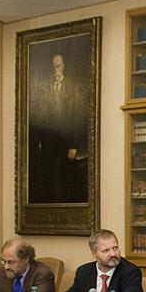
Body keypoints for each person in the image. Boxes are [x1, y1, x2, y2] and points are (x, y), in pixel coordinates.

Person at [28, 52, 88, 204]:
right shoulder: (45, 90)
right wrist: (39, 141)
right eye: (53, 67)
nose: (56, 70)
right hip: (48, 144)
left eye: (58, 66)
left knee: (67, 180)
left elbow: (78, 119)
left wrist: (74, 146)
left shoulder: (74, 89)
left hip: (67, 144)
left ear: (64, 67)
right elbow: (40, 118)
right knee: (48, 180)